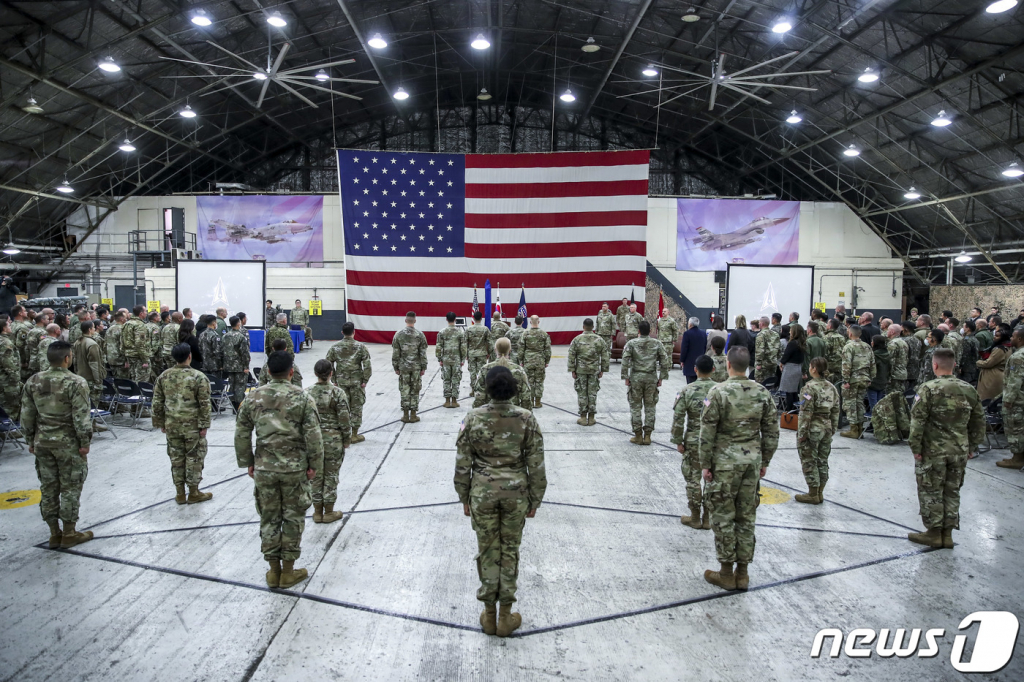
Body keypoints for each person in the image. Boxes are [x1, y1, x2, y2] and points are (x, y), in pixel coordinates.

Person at [455, 365, 546, 638]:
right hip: (516, 495)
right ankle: (506, 616)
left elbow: (462, 464)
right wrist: (535, 499)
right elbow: (537, 464)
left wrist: (464, 496)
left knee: (487, 550)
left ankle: (489, 616)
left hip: (482, 495)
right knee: (509, 551)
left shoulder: (472, 418)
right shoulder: (526, 418)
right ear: (515, 389)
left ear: (487, 389)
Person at [235, 350, 324, 589]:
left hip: (265, 467)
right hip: (295, 469)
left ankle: (273, 571)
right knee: (293, 518)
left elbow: (242, 432)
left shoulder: (253, 397)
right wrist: (314, 464)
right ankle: (288, 571)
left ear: (268, 372)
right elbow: (314, 435)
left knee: (269, 517)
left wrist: (248, 462)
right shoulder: (302, 397)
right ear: (291, 372)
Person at [698, 346, 778, 591]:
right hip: (751, 464)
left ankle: (725, 573)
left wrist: (705, 464)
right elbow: (772, 431)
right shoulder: (763, 392)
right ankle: (743, 574)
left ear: (728, 365)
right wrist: (765, 461)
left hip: (724, 464)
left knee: (723, 516)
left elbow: (706, 432)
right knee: (746, 517)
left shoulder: (718, 392)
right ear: (748, 366)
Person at [907, 348, 984, 549]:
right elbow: (978, 421)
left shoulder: (928, 389)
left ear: (934, 365)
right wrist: (972, 446)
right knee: (952, 491)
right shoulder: (969, 389)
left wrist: (915, 447)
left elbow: (917, 423)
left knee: (931, 490)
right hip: (959, 450)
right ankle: (947, 534)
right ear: (954, 366)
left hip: (933, 451)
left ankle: (933, 533)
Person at [21, 341, 93, 549]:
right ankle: (69, 533)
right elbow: (81, 418)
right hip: (68, 444)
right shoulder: (76, 382)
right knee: (70, 487)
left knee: (49, 487)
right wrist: (84, 443)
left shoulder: (33, 381)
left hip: (43, 442)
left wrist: (30, 440)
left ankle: (54, 533)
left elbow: (26, 416)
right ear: (67, 358)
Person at [152, 343, 213, 505]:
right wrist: (204, 425)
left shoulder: (163, 376)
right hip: (193, 427)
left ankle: (179, 494)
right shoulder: (198, 377)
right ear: (190, 356)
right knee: (194, 458)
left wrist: (160, 423)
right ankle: (193, 492)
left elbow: (157, 402)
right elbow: (205, 404)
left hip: (172, 425)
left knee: (176, 459)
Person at [671, 354, 716, 530]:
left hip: (693, 441)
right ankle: (708, 519)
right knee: (712, 480)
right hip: (715, 443)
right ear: (713, 369)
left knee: (693, 480)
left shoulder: (686, 390)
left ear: (695, 370)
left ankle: (695, 517)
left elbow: (678, 418)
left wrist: (678, 440)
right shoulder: (721, 391)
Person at [306, 360, 351, 524]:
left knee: (315, 476)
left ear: (315, 373)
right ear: (331, 373)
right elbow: (344, 419)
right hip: (333, 440)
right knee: (331, 476)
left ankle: (317, 512)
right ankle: (329, 512)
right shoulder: (338, 393)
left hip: (313, 440)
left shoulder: (307, 393)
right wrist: (346, 439)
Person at [795, 357, 840, 504]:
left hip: (813, 428)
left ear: (814, 369)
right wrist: (833, 427)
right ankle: (820, 492)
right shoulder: (831, 387)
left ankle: (813, 493)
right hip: (826, 427)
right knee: (822, 460)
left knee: (809, 460)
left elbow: (806, 412)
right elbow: (835, 409)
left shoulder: (808, 388)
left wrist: (802, 433)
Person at [621, 320, 669, 445]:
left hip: (636, 378)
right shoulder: (657, 343)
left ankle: (638, 435)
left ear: (638, 331)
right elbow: (665, 361)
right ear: (650, 331)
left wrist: (625, 377)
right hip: (651, 378)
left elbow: (625, 360)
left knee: (636, 406)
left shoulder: (631, 343)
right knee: (650, 407)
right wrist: (661, 377)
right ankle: (647, 435)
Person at [325, 322, 371, 443]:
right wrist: (365, 380)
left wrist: (334, 379)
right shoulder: (361, 347)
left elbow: (328, 363)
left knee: (342, 407)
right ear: (354, 332)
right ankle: (354, 434)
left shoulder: (335, 347)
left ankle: (343, 433)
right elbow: (367, 365)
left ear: (342, 333)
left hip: (341, 382)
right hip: (357, 382)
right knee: (356, 407)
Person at [567, 318, 609, 425]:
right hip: (594, 370)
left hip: (580, 370)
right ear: (593, 327)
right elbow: (605, 355)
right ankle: (591, 417)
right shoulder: (599, 340)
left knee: (582, 393)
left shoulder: (577, 339)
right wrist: (603, 369)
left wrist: (572, 369)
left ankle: (582, 417)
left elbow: (571, 355)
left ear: (583, 327)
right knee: (592, 393)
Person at [473, 338, 531, 409]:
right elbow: (526, 396)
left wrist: (478, 414)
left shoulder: (485, 369)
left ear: (495, 350)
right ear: (510, 351)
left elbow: (479, 395)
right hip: (513, 413)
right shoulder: (519, 370)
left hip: (490, 414)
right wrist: (525, 415)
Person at [840, 324, 876, 439]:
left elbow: (846, 365)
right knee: (860, 403)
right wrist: (871, 377)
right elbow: (872, 363)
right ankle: (860, 428)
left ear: (850, 333)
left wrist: (845, 380)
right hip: (865, 378)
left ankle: (853, 429)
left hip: (852, 379)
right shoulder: (867, 346)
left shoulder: (848, 346)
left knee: (850, 404)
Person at [393, 311, 428, 423]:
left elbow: (395, 353)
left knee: (404, 389)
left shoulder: (398, 334)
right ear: (415, 321)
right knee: (415, 389)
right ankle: (413, 415)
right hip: (416, 367)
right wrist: (423, 367)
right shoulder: (420, 335)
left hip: (403, 367)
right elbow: (422, 353)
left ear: (405, 320)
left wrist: (396, 367)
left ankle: (405, 414)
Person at [998, 327, 1024, 470]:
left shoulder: (1018, 357)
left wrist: (1008, 400)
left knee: (1015, 429)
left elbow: (1015, 381)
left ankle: (1017, 458)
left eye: (1013, 337)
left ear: (1020, 339)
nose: (1011, 339)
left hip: (1017, 400)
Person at [71, 321, 104, 421]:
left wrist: (77, 373)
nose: (94, 329)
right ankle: (92, 423)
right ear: (90, 329)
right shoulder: (92, 344)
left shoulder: (78, 342)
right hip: (91, 377)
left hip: (81, 375)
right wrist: (98, 380)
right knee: (93, 402)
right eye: (93, 327)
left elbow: (75, 360)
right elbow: (94, 364)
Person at [437, 311, 468, 408]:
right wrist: (463, 359)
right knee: (455, 379)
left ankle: (447, 401)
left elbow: (439, 347)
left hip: (446, 359)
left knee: (446, 379)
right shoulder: (460, 332)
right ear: (455, 320)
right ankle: (454, 401)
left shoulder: (442, 332)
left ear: (446, 319)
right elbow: (463, 347)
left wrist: (439, 359)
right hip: (456, 359)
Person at [520, 315, 552, 408]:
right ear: (538, 322)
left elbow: (521, 348)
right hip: (540, 360)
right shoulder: (544, 334)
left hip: (528, 360)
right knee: (539, 382)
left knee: (529, 381)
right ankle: (538, 402)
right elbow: (548, 349)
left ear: (530, 322)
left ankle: (530, 400)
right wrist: (547, 361)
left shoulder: (525, 334)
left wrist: (521, 360)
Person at [222, 316, 250, 412]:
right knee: (240, 386)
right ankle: (238, 407)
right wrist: (246, 366)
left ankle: (232, 404)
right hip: (239, 366)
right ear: (239, 323)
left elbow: (222, 351)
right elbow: (244, 353)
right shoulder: (241, 337)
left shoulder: (225, 336)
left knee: (232, 385)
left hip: (228, 365)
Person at [976, 327, 1010, 402]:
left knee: (986, 398)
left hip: (992, 376)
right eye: (995, 335)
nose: (994, 337)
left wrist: (978, 362)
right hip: (998, 373)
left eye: (997, 336)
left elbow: (989, 363)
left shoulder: (1000, 349)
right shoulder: (1008, 347)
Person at [121, 305, 153, 383]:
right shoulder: (140, 325)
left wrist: (125, 358)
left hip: (129, 355)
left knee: (133, 378)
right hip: (138, 357)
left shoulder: (126, 324)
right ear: (141, 313)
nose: (146, 313)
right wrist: (145, 360)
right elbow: (140, 343)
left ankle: (134, 394)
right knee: (142, 380)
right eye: (145, 311)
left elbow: (122, 341)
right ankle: (139, 395)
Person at [0, 314, 23, 420]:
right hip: (8, 381)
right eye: (8, 326)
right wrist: (16, 379)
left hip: (3, 379)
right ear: (4, 328)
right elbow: (8, 364)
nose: (10, 327)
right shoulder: (5, 343)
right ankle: (10, 430)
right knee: (11, 407)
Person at [465, 311, 492, 398]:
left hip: (472, 353)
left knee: (472, 372)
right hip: (482, 353)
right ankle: (481, 389)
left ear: (474, 318)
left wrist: (466, 353)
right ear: (481, 318)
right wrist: (489, 352)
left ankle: (473, 390)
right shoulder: (485, 329)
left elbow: (465, 342)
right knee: (482, 372)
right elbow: (489, 342)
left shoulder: (468, 329)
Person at [779, 323, 806, 410]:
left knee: (788, 391)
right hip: (798, 368)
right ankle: (794, 409)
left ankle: (789, 410)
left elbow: (786, 355)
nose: (790, 332)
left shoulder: (792, 343)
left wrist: (781, 363)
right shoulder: (802, 343)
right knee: (794, 391)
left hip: (790, 368)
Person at [23, 308, 53, 378]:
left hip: (32, 360)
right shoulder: (43, 332)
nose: (49, 321)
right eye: (47, 319)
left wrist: (28, 359)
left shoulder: (31, 331)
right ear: (42, 320)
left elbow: (27, 347)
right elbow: (44, 348)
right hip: (40, 361)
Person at [866, 335, 890, 418]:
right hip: (883, 381)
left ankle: (875, 424)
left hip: (873, 382)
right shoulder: (887, 354)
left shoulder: (873, 355)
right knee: (879, 404)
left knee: (874, 405)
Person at [679, 317, 708, 384]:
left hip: (689, 363)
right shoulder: (703, 334)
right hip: (700, 362)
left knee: (690, 383)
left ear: (690, 324)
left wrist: (682, 360)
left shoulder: (687, 334)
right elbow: (704, 347)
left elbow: (684, 348)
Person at [754, 316, 781, 385]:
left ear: (761, 324)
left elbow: (760, 350)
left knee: (759, 385)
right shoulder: (775, 334)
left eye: (759, 322)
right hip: (773, 363)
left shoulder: (761, 335)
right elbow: (779, 349)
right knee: (770, 384)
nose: (759, 324)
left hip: (763, 365)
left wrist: (759, 363)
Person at [958, 320, 980, 385]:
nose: (963, 328)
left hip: (966, 368)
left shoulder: (967, 340)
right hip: (973, 366)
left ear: (968, 329)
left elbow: (964, 354)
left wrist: (960, 366)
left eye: (964, 327)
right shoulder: (975, 339)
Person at [903, 322, 923, 391]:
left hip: (906, 368)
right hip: (916, 368)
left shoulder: (904, 340)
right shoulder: (917, 340)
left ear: (905, 329)